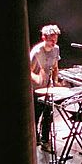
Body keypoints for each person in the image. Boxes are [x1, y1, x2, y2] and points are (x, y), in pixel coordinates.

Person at [30, 24, 62, 152]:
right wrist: (37, 79)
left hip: (48, 88)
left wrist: (56, 81)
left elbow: (55, 67)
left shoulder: (56, 49)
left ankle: (45, 141)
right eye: (51, 39)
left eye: (55, 39)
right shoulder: (37, 51)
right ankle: (34, 139)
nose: (53, 42)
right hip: (36, 89)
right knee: (36, 115)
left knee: (48, 115)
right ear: (44, 37)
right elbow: (27, 71)